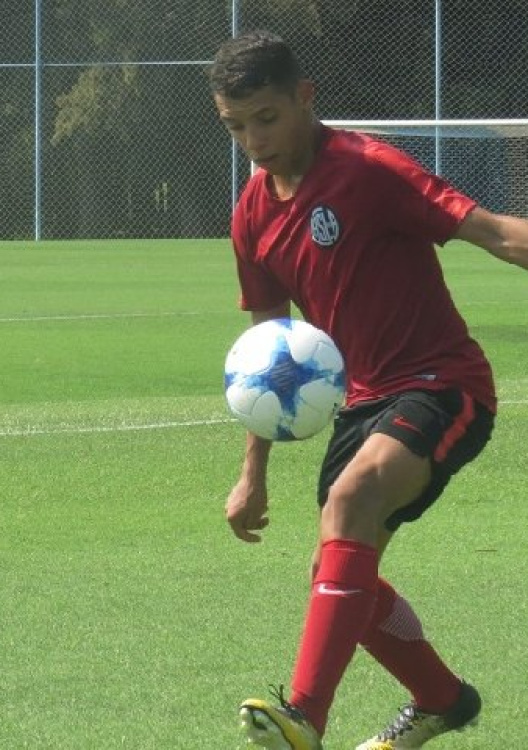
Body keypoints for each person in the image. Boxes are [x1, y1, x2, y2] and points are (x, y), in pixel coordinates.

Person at [209, 31, 528, 749]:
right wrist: (252, 473)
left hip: (443, 385)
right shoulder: (252, 216)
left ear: (305, 98)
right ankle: (443, 699)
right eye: (236, 126)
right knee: (339, 578)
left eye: (267, 118)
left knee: (351, 502)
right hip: (361, 406)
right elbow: (268, 359)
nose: (254, 141)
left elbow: (493, 234)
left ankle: (304, 717)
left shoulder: (369, 168)